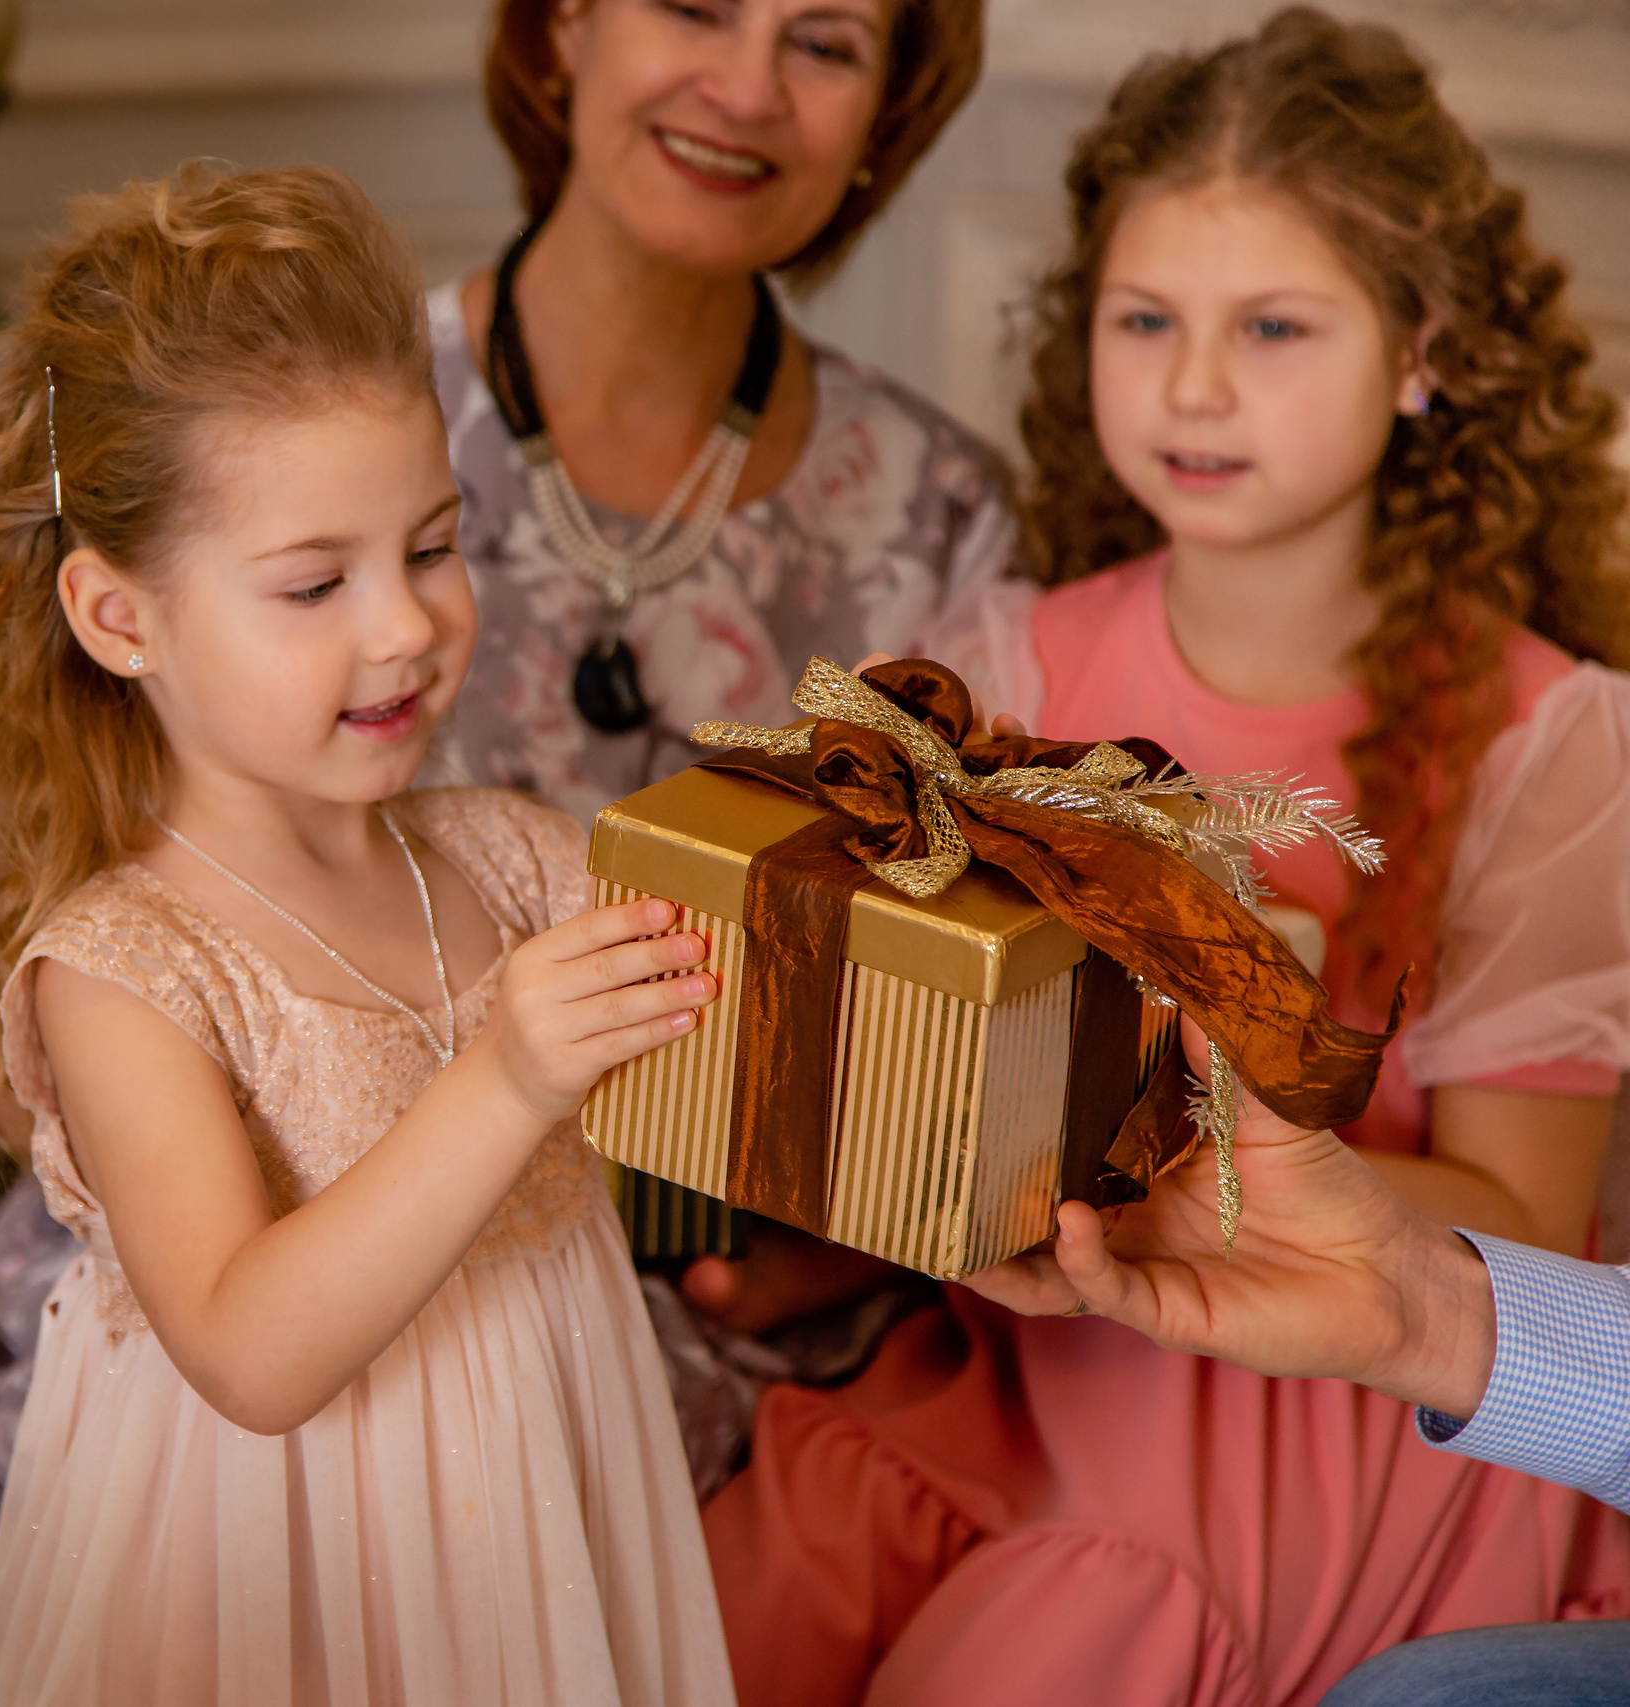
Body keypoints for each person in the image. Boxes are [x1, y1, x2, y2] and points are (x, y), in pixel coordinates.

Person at [699, 11, 1630, 1705]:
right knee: (711, 1612)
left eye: (1273, 327)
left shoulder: (1553, 740)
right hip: (1028, 1356)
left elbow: (1520, 1219)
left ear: (1421, 346)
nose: (1195, 386)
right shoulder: (1015, 660)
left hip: (1334, 1421)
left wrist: (1160, 1172)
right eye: (1148, 320)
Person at [0, 164, 737, 1706]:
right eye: (314, 582)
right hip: (269, 1583)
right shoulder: (128, 969)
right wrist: (506, 1076)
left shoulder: (503, 855)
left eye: (429, 546)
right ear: (118, 615)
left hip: (526, 1528)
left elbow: (747, 1012)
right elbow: (252, 1351)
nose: (403, 625)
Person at [438, 0, 1010, 1357]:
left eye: (824, 44)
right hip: (357, 1285)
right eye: (694, 6)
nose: (746, 88)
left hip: (755, 1338)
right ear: (562, 27)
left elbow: (947, 1051)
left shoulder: (944, 510)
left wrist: (839, 1253)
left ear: (886, 120)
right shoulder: (334, 417)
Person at [963, 1042, 1630, 1703]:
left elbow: (1529, 1213)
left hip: (1326, 1446)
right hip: (1071, 1353)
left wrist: (1415, 1305)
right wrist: (1413, 1299)